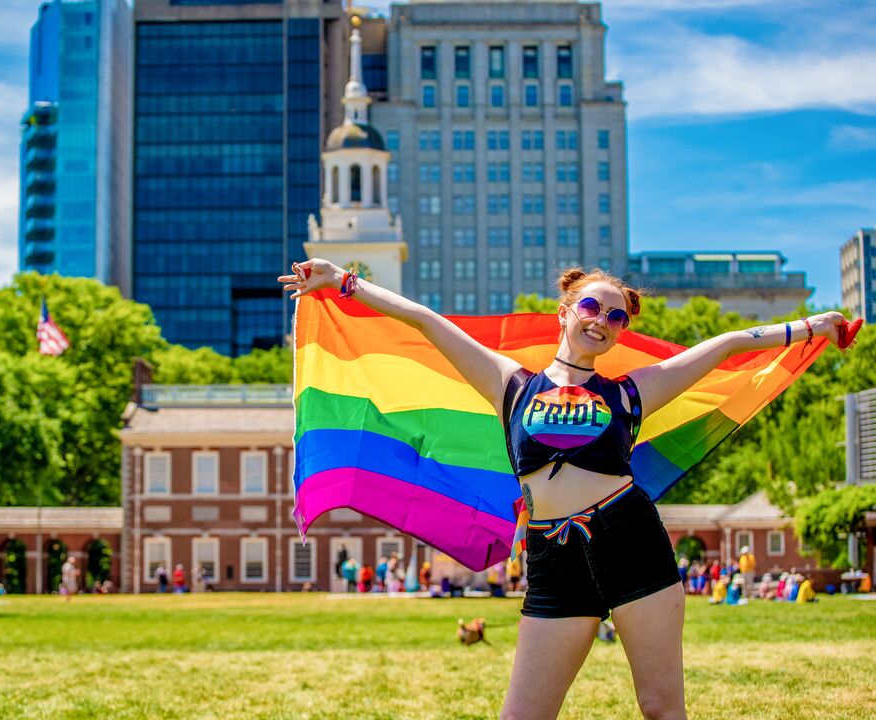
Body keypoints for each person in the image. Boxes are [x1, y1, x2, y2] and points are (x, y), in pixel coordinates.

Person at [280, 258, 853, 719]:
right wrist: (345, 283)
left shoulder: (631, 393)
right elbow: (429, 324)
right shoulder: (511, 386)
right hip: (554, 558)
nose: (601, 320)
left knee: (660, 706)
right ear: (564, 312)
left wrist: (809, 327)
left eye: (616, 317)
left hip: (631, 543)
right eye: (590, 306)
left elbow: (725, 346)